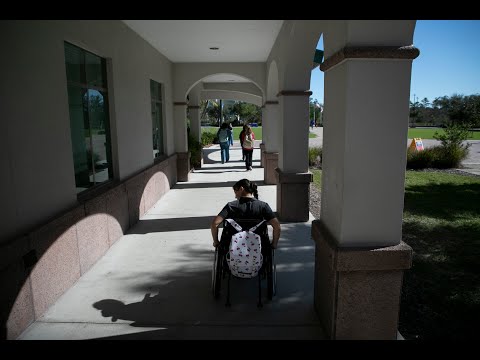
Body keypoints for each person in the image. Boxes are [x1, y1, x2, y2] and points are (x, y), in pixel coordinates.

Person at [210, 178, 281, 251]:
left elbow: (215, 224)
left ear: (241, 189)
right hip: (259, 247)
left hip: (233, 247)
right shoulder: (263, 206)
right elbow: (276, 226)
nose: (235, 196)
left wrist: (216, 242)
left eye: (235, 192)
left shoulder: (231, 206)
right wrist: (274, 244)